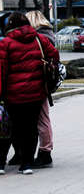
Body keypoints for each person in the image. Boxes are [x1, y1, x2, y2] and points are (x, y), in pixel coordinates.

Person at [0, 12, 59, 175]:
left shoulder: (6, 43)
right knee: (31, 128)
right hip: (36, 93)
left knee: (12, 128)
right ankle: (27, 164)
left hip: (13, 95)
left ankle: (9, 159)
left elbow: (1, 71)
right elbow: (54, 56)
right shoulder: (40, 39)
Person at [25, 10, 56, 168]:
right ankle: (45, 151)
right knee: (43, 117)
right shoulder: (49, 35)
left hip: (37, 82)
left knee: (42, 119)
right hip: (44, 82)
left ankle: (45, 152)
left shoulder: (39, 38)